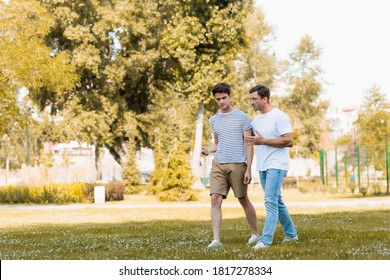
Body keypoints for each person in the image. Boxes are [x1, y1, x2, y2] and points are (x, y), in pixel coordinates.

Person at [202, 82, 260, 248]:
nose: (221, 102)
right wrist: (209, 149)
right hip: (219, 164)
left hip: (238, 164)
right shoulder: (214, 119)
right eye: (218, 99)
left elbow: (249, 144)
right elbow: (217, 143)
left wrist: (248, 168)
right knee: (215, 199)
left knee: (243, 199)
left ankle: (255, 234)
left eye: (224, 98)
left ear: (230, 96)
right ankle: (216, 240)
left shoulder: (242, 117)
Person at [245, 84, 298, 250]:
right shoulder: (256, 120)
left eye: (254, 99)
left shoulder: (279, 116)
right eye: (251, 99)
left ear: (264, 99)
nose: (251, 102)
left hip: (277, 165)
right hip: (263, 166)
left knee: (270, 202)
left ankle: (266, 240)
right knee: (277, 201)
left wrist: (265, 141)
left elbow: (289, 141)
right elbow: (250, 141)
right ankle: (291, 234)